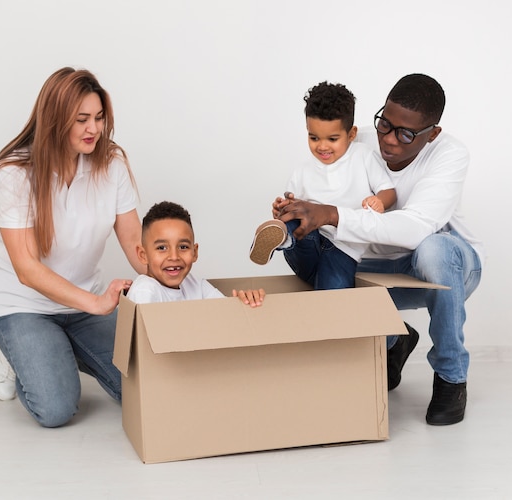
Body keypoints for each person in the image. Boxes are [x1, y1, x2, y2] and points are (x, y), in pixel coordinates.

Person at [274, 74, 484, 425]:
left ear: (432, 134)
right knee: (331, 268)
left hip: (444, 268)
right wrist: (298, 212)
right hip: (375, 269)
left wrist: (333, 214)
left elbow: (415, 229)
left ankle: (451, 376)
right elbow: (322, 194)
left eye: (405, 133)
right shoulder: (356, 142)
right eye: (384, 123)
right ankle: (393, 338)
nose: (388, 139)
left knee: (433, 249)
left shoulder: (449, 154)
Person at [0, 67, 146, 427]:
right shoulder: (14, 173)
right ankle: (17, 353)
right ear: (55, 120)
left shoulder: (111, 164)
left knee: (147, 387)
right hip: (25, 306)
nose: (95, 129)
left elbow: (135, 241)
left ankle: (58, 345)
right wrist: (97, 303)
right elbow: (26, 268)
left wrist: (174, 277)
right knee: (56, 410)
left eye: (100, 118)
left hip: (86, 305)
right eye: (82, 119)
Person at [248, 81, 396, 290]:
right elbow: (291, 205)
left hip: (344, 249)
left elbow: (389, 191)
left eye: (332, 139)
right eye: (313, 137)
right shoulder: (302, 171)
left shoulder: (363, 156)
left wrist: (380, 200)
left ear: (351, 134)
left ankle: (286, 238)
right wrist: (280, 211)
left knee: (332, 294)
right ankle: (280, 236)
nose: (322, 146)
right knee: (297, 215)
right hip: (306, 242)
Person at [127, 201, 265, 306]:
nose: (174, 257)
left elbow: (226, 315)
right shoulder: (145, 291)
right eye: (162, 248)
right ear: (143, 255)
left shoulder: (194, 285)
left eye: (183, 247)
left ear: (195, 252)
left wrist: (245, 302)